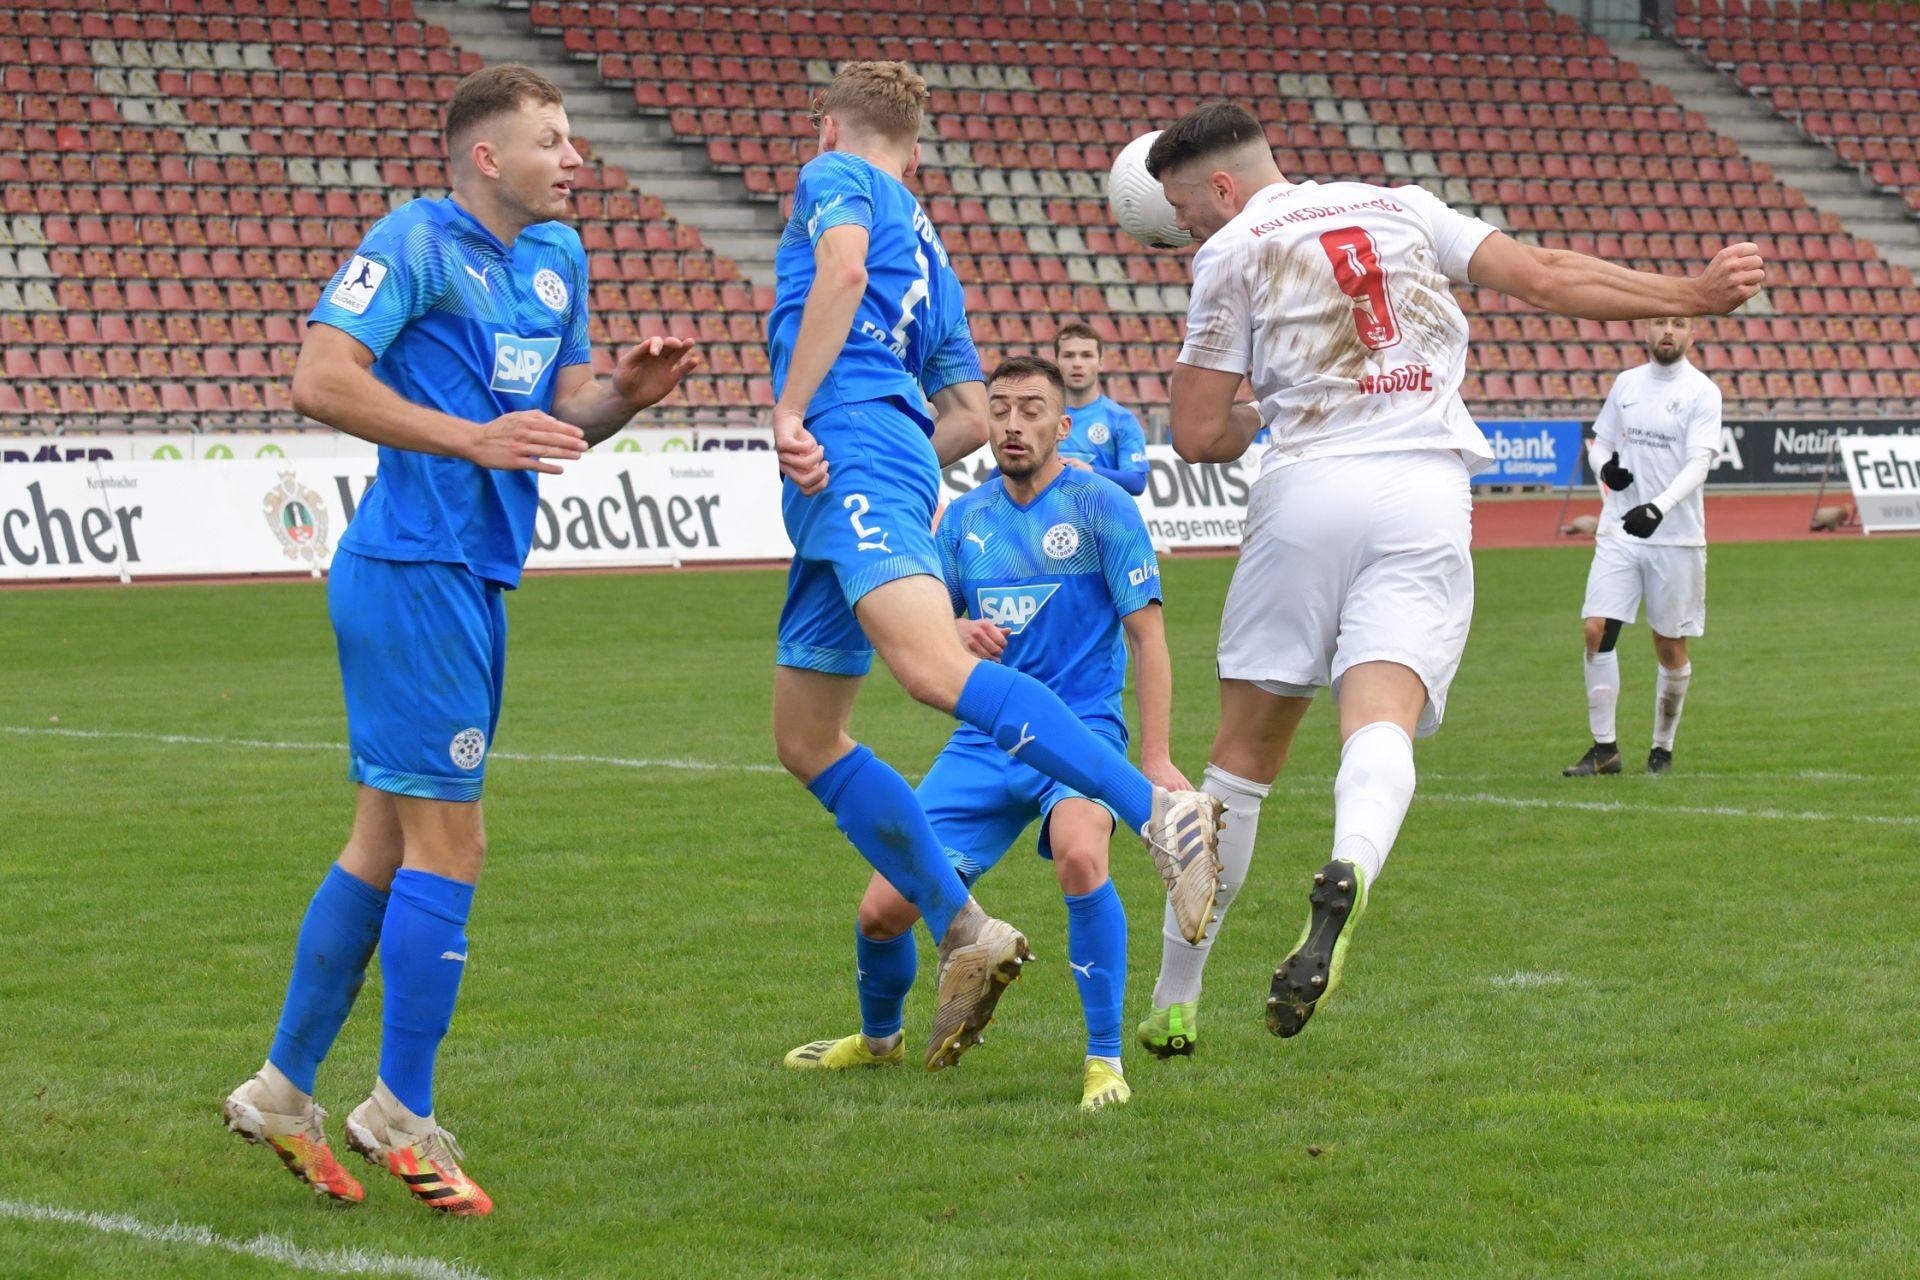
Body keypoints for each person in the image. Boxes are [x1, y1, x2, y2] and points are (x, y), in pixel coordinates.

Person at [1130, 102, 1763, 1055]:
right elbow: (1548, 276)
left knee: (1240, 762)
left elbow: (1196, 435)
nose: (1186, 229)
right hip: (1423, 490)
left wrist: (1278, 399)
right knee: (1379, 719)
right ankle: (1349, 862)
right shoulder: (1403, 203)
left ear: (1223, 187)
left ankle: (1176, 1000)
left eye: (1185, 211)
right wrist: (1695, 292)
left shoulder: (1230, 252)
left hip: (1305, 491)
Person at [222, 65, 698, 1214]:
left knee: (384, 843)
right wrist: (467, 440)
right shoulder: (416, 243)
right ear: (488, 157)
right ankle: (400, 1110)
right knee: (455, 845)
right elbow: (319, 377)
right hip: (411, 568)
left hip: (471, 574)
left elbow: (561, 415)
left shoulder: (558, 258)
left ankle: (283, 1092)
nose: (577, 155)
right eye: (553, 138)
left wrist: (627, 394)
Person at [766, 62, 1220, 1073]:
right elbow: (967, 414)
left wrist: (798, 411)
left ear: (833, 127)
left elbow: (838, 273)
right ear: (920, 147)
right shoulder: (929, 242)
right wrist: (883, 460)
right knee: (805, 735)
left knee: (930, 672)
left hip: (847, 443)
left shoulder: (837, 179)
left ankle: (1160, 814)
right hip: (862, 468)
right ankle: (964, 928)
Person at [784, 356, 1183, 1110]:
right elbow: (928, 625)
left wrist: (1155, 756)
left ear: (1063, 425)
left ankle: (1103, 1061)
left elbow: (1149, 638)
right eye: (999, 409)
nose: (1012, 424)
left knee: (1079, 858)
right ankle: (877, 1043)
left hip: (1080, 731)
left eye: (1032, 410)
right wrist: (961, 629)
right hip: (982, 743)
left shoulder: (1100, 507)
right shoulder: (964, 520)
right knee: (882, 911)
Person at [1563, 315, 1720, 778]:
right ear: (1645, 331)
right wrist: (1604, 469)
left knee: (1668, 645)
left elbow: (1700, 464)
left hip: (1676, 535)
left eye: (1678, 323)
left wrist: (1658, 507)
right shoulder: (1626, 383)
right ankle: (1604, 750)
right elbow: (1601, 443)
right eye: (1659, 322)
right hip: (1619, 530)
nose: (1667, 331)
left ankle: (1662, 750)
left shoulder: (1702, 391)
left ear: (1693, 335)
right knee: (1596, 629)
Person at [1052, 321, 1150, 494]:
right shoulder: (1040, 416)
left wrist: (1089, 472)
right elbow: (1007, 471)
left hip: (1100, 518)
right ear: (1056, 362)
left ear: (1100, 363)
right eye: (1068, 355)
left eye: (1087, 355)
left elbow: (1137, 482)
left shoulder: (1121, 420)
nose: (1077, 363)